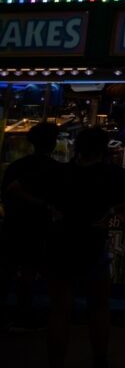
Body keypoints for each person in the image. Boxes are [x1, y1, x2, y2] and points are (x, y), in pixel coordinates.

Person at [42, 126, 125, 368]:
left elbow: (40, 197)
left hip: (61, 244)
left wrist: (54, 211)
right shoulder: (110, 173)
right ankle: (99, 364)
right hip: (92, 245)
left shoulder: (62, 172)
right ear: (103, 150)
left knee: (59, 311)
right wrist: (113, 210)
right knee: (98, 309)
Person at [0, 122, 62, 330]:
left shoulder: (17, 165)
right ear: (52, 143)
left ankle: (14, 314)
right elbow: (14, 188)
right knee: (27, 271)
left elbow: (8, 190)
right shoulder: (50, 168)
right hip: (34, 227)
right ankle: (23, 314)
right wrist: (43, 204)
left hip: (13, 224)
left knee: (9, 270)